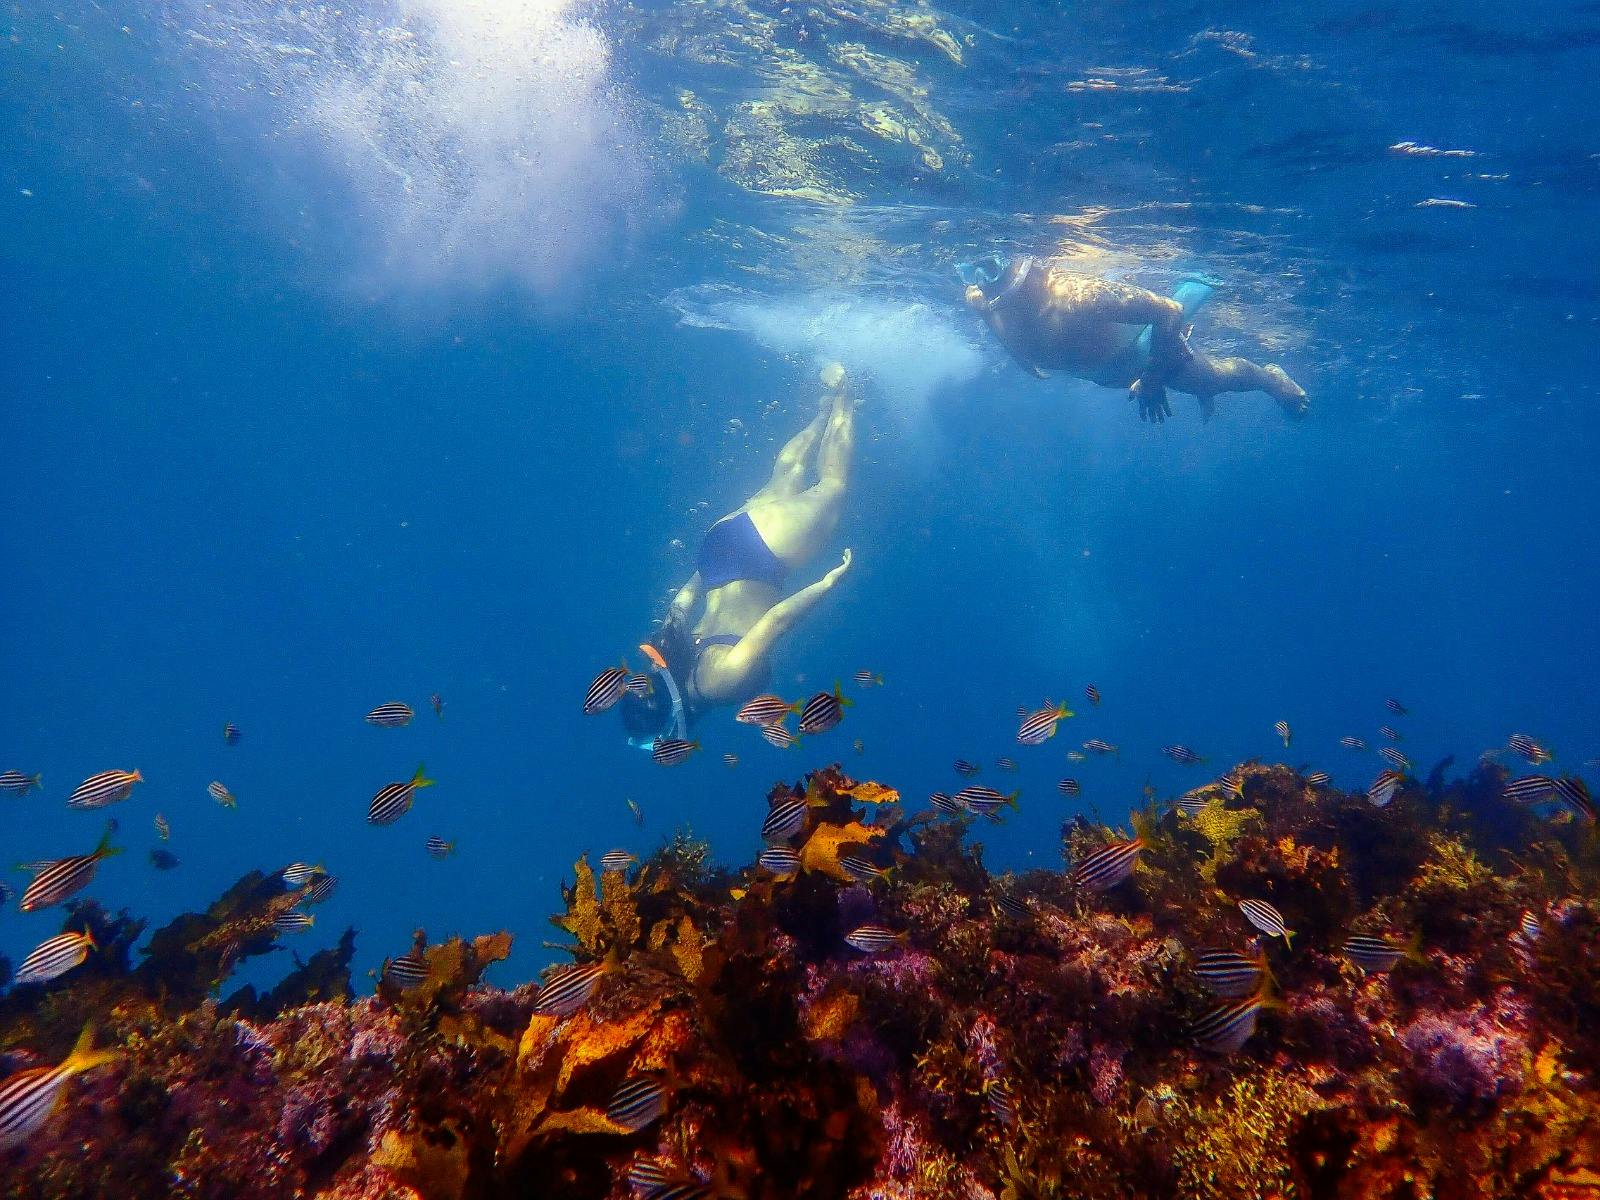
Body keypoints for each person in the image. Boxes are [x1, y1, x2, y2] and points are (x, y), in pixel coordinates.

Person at [621, 364, 855, 746]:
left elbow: (776, 621)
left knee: (832, 486)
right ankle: (823, 409)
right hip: (717, 552)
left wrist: (828, 583)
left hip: (763, 557)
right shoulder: (672, 656)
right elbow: (681, 603)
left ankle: (846, 391)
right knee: (786, 476)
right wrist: (702, 569)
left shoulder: (715, 684)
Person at [960, 254, 1307, 423]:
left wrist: (1153, 379)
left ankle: (1271, 378)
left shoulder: (1073, 295)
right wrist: (1024, 362)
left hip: (1140, 352)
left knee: (1210, 381)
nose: (982, 280)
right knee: (1201, 382)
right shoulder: (980, 297)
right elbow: (997, 322)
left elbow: (1168, 311)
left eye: (992, 269)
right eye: (974, 273)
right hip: (1102, 372)